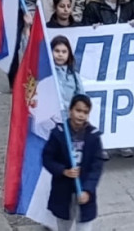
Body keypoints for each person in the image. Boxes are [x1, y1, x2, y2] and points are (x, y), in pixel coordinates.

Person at [43, 94, 104, 231]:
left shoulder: (93, 136)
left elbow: (97, 167)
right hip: (63, 191)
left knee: (84, 226)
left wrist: (88, 190)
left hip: (84, 192)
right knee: (63, 225)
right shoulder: (59, 133)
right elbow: (47, 158)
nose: (81, 115)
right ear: (70, 110)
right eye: (78, 110)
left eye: (85, 112)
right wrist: (63, 171)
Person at [52, 35, 86, 113]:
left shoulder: (74, 75)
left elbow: (81, 98)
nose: (60, 54)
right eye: (57, 51)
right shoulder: (46, 72)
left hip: (68, 118)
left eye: (64, 52)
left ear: (69, 54)